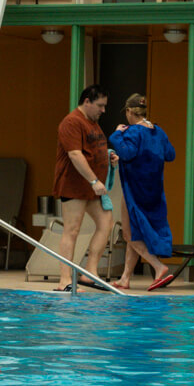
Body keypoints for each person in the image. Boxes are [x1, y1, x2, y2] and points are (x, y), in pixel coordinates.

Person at [109, 93, 177, 292]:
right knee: (136, 232)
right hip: (154, 191)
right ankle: (125, 278)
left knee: (129, 234)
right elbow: (170, 155)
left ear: (130, 111)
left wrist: (116, 135)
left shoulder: (132, 132)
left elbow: (128, 152)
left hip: (135, 189)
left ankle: (158, 267)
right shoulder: (159, 131)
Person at [53, 85, 116, 292]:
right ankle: (64, 280)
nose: (103, 110)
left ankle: (90, 273)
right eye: (100, 105)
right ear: (87, 101)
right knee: (72, 230)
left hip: (91, 188)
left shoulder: (92, 123)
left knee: (106, 222)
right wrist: (93, 180)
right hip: (74, 185)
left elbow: (93, 149)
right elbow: (75, 155)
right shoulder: (71, 122)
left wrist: (109, 156)